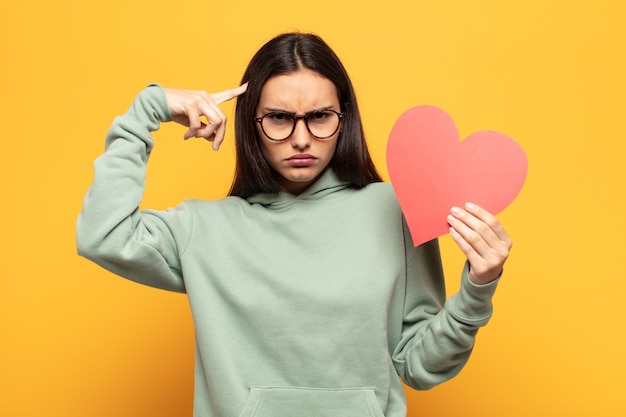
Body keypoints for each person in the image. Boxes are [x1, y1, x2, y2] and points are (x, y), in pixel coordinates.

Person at [77, 32, 511, 417]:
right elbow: (102, 235)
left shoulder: (394, 210)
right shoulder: (205, 229)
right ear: (252, 123)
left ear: (345, 119)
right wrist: (146, 111)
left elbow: (420, 365)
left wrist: (478, 287)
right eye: (280, 118)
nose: (301, 139)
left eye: (320, 116)